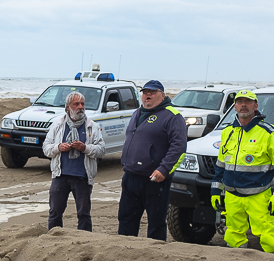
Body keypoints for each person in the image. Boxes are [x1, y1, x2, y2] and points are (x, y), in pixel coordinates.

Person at [210, 90, 274, 254]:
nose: (243, 105)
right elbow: (220, 165)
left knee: (269, 238)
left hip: (259, 195)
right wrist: (215, 191)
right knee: (233, 236)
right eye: (240, 102)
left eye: (248, 102)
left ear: (256, 106)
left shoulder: (268, 132)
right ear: (235, 106)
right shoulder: (227, 132)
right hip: (232, 196)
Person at [117, 80, 187, 240]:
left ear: (162, 95)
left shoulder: (172, 116)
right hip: (131, 177)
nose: (148, 94)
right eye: (145, 92)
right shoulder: (137, 113)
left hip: (155, 180)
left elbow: (179, 147)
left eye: (152, 92)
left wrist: (164, 169)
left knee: (156, 223)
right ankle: (125, 254)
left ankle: (156, 257)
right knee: (126, 219)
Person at [42, 91, 105, 231]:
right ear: (67, 107)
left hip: (82, 177)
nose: (80, 107)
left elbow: (101, 150)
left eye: (82, 104)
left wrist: (85, 148)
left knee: (84, 214)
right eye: (76, 104)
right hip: (60, 176)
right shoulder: (58, 124)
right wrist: (58, 147)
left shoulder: (92, 126)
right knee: (55, 213)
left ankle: (84, 242)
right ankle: (54, 239)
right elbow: (46, 148)